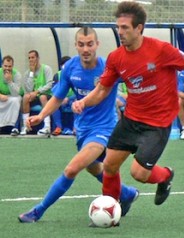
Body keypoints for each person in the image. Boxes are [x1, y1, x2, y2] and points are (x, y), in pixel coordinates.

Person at [72, 1, 184, 215]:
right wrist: (84, 102)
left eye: (125, 28)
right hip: (131, 120)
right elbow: (102, 90)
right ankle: (111, 210)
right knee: (110, 165)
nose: (120, 32)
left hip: (157, 124)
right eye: (118, 27)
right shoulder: (116, 57)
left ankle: (166, 176)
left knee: (138, 173)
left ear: (139, 28)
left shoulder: (160, 50)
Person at [18, 27, 138, 224]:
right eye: (81, 44)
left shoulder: (109, 67)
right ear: (76, 46)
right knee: (94, 168)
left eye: (90, 44)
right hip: (83, 130)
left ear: (97, 45)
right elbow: (58, 97)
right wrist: (40, 116)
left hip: (104, 130)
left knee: (72, 169)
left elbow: (134, 83)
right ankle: (127, 194)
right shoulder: (70, 68)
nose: (85, 49)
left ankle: (38, 211)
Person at [20, 50, 53, 135]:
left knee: (42, 97)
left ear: (38, 58)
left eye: (33, 57)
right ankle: (25, 126)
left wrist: (37, 91)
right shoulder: (27, 73)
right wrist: (32, 73)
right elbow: (28, 89)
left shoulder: (46, 69)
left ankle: (47, 127)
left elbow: (50, 84)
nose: (31, 60)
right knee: (26, 97)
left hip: (46, 95)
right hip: (34, 96)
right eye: (29, 58)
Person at [51, 56, 76, 136]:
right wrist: (62, 98)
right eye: (64, 65)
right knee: (54, 104)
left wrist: (70, 98)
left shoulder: (76, 75)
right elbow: (54, 90)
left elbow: (79, 91)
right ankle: (58, 127)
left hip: (73, 98)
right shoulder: (57, 75)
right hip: (62, 99)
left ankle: (75, 128)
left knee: (77, 103)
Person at [0, 55, 22, 134]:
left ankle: (14, 127)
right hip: (1, 96)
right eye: (5, 66)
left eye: (9, 66)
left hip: (12, 96)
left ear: (12, 66)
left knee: (16, 100)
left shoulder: (17, 74)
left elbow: (16, 93)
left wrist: (9, 81)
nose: (7, 68)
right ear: (2, 65)